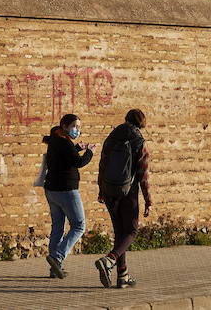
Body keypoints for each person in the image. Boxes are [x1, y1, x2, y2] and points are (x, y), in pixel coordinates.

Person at [93, 108, 151, 289]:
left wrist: (101, 189)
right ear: (141, 122)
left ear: (126, 119)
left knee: (120, 232)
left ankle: (122, 276)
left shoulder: (111, 138)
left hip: (109, 189)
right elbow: (143, 175)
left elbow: (102, 165)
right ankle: (110, 259)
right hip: (128, 192)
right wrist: (148, 199)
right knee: (132, 230)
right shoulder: (139, 142)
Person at [41, 113, 94, 279]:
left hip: (51, 190)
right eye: (74, 126)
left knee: (58, 227)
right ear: (64, 126)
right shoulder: (63, 142)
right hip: (66, 190)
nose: (77, 130)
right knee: (79, 225)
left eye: (79, 127)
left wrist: (77, 148)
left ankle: (54, 268)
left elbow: (64, 158)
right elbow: (77, 162)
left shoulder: (55, 140)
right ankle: (57, 258)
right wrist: (90, 152)